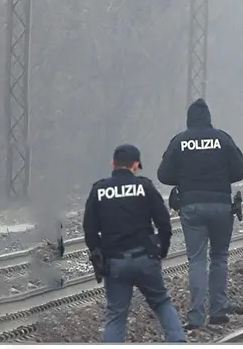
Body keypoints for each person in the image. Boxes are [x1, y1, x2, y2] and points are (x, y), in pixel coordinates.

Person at [157, 98, 243, 330]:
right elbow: (241, 169)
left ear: (189, 119)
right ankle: (218, 311)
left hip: (192, 207)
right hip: (221, 205)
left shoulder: (180, 141)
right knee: (219, 257)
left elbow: (163, 174)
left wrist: (185, 177)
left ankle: (196, 317)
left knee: (197, 260)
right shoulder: (222, 139)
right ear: (209, 118)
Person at [83, 144, 186, 343]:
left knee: (116, 315)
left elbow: (89, 230)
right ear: (136, 165)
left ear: (113, 164)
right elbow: (164, 223)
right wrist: (161, 250)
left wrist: (98, 255)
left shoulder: (99, 190)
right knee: (162, 303)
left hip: (115, 263)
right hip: (145, 258)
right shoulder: (144, 187)